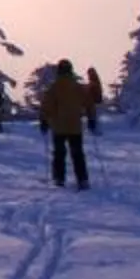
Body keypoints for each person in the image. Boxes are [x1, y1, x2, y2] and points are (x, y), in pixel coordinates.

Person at [38, 59, 95, 191]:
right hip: (75, 126)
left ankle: (59, 179)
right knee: (78, 154)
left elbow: (46, 106)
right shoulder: (78, 87)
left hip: (59, 126)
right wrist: (91, 118)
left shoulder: (54, 88)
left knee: (59, 153)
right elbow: (89, 104)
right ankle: (82, 179)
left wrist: (44, 120)